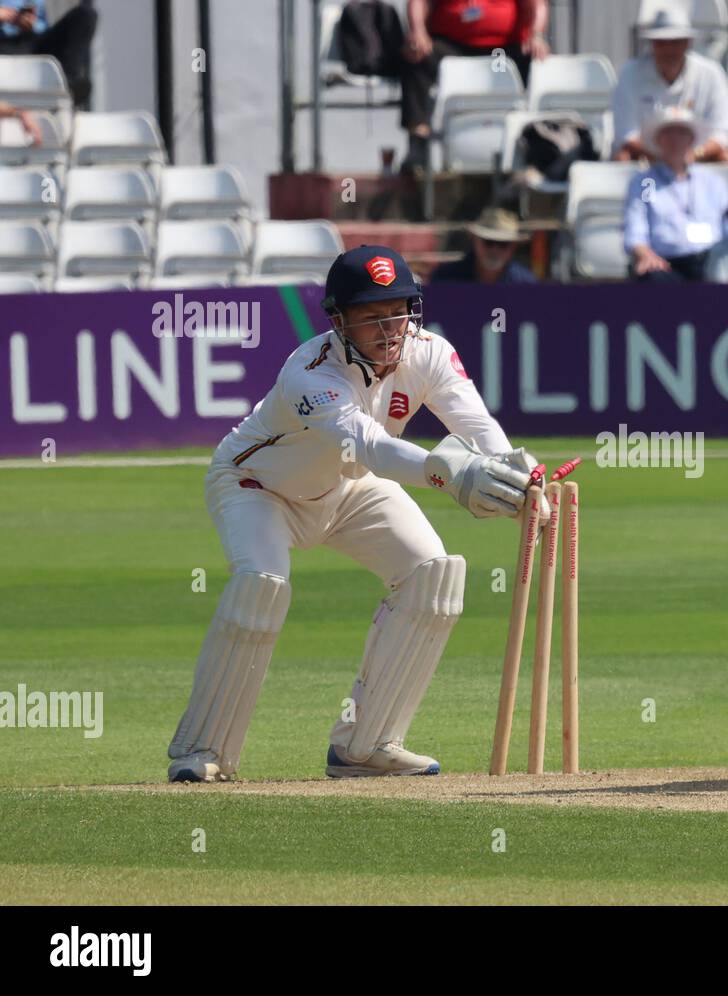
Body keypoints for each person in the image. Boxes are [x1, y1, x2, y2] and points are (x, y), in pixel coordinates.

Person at [167, 246, 549, 783]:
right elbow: (370, 447)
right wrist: (453, 476)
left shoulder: (429, 352)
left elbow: (476, 425)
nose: (390, 329)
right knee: (263, 583)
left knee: (434, 575)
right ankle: (201, 750)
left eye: (398, 312)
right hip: (258, 485)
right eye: (372, 317)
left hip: (346, 490)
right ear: (338, 320)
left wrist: (521, 478)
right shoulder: (309, 371)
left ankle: (365, 745)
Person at [399, 0, 549, 172]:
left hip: (500, 52)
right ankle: (419, 144)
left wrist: (536, 35)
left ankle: (538, 147)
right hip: (452, 48)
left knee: (536, 61)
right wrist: (418, 31)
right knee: (416, 59)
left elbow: (537, 5)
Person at [611, 7, 728, 167]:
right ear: (652, 44)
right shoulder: (630, 73)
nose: (669, 50)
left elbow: (723, 130)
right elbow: (627, 134)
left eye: (676, 42)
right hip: (646, 159)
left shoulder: (711, 73)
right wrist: (666, 157)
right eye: (661, 43)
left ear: (687, 43)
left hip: (698, 157)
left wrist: (693, 154)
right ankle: (638, 192)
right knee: (622, 158)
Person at [623, 106, 728, 282]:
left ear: (692, 139)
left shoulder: (713, 182)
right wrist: (645, 254)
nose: (675, 139)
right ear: (658, 140)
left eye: (681, 132)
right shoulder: (646, 183)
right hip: (666, 264)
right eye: (668, 133)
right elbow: (636, 229)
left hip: (711, 260)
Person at [0, 1, 98, 109]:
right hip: (5, 45)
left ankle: (66, 84)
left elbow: (40, 22)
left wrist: (28, 21)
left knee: (85, 14)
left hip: (35, 41)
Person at [429, 206, 537, 283]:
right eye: (488, 242)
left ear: (513, 247)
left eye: (503, 244)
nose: (495, 250)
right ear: (474, 240)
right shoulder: (445, 278)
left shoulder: (524, 283)